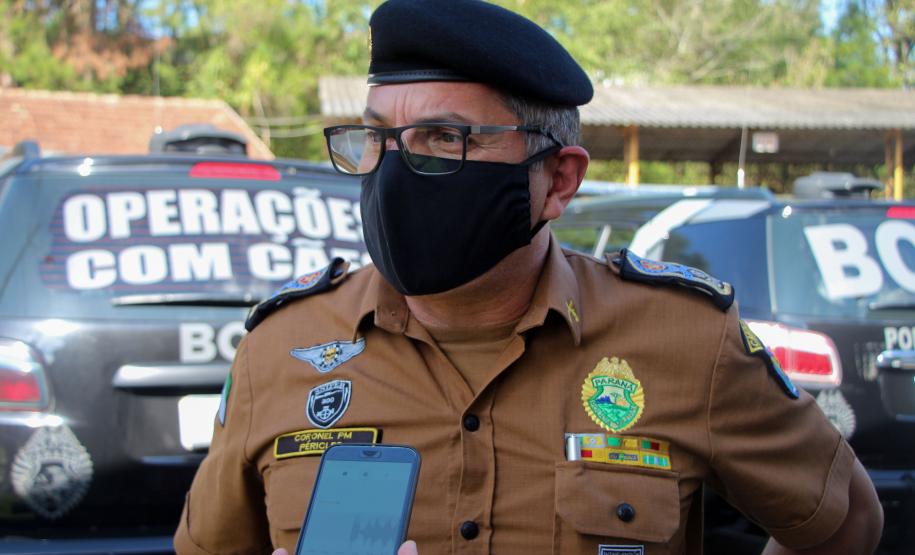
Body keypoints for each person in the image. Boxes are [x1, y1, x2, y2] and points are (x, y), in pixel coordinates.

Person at [174, 1, 884, 554]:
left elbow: (842, 519)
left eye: (442, 139)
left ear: (556, 180)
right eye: (377, 138)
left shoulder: (683, 340)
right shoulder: (282, 348)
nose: (392, 172)